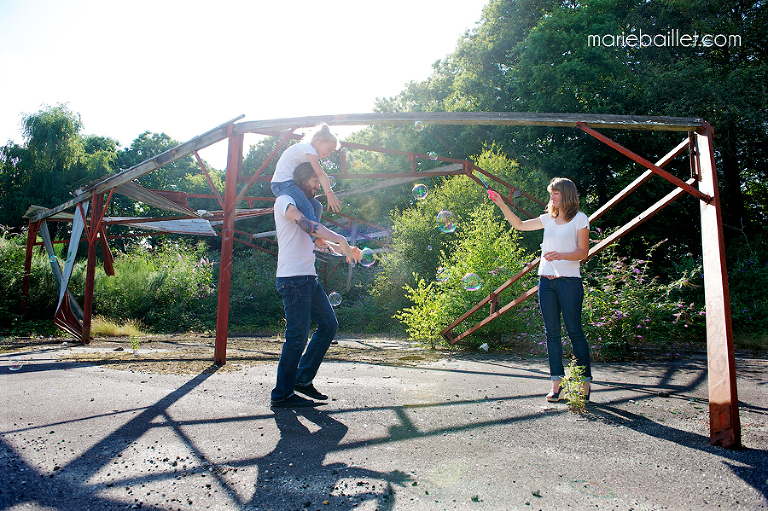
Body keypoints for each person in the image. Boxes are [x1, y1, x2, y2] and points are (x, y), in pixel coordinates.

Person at [488, 177, 592, 402]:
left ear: (566, 194)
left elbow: (583, 252)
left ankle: (584, 385)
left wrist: (562, 255)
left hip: (569, 282)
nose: (552, 197)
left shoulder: (580, 219)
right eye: (551, 194)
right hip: (546, 282)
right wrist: (502, 205)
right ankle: (557, 385)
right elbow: (520, 225)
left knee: (575, 332)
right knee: (551, 334)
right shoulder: (548, 219)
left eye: (555, 193)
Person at [270, 162, 362, 408]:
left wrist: (346, 250)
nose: (317, 187)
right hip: (292, 279)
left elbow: (319, 241)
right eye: (314, 182)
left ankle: (301, 379)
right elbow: (304, 224)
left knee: (329, 325)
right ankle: (282, 394)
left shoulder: (308, 207)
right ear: (302, 180)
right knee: (297, 336)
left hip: (308, 278)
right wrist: (341, 238)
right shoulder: (285, 200)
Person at [270, 122, 342, 231]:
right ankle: (315, 238)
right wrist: (329, 193)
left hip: (289, 184)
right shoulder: (309, 149)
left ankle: (312, 235)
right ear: (320, 141)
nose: (328, 153)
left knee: (317, 206)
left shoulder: (308, 151)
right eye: (329, 149)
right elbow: (320, 174)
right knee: (306, 206)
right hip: (282, 184)